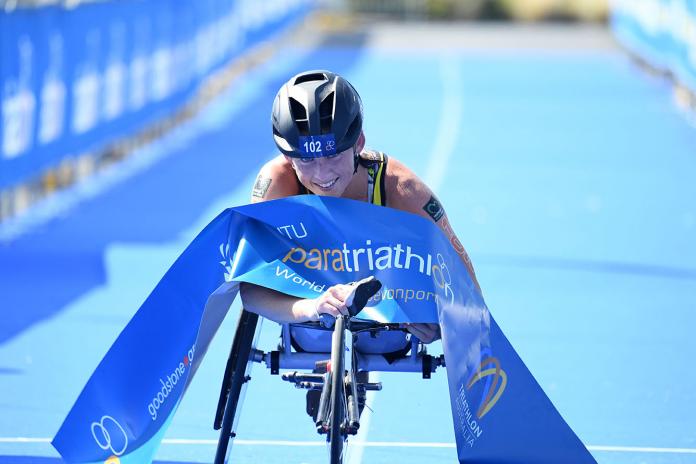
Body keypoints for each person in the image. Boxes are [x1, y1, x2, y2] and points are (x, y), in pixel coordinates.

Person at [239, 70, 481, 345]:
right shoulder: (276, 183)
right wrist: (315, 306)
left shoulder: (402, 188)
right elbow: (250, 290)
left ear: (359, 144)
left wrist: (440, 321)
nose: (321, 173)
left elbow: (466, 287)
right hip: (308, 316)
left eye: (332, 155)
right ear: (288, 157)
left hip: (389, 323)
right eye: (306, 159)